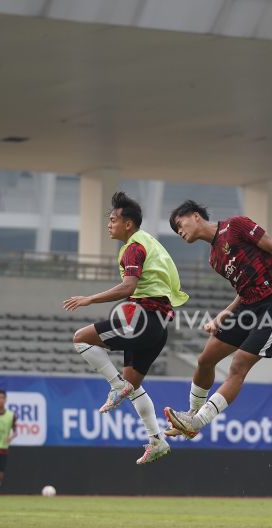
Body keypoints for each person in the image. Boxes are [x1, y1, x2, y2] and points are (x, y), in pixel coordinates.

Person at [163, 200, 272, 438]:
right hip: (247, 308)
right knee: (205, 360)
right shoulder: (214, 259)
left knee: (238, 365)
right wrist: (226, 312)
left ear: (195, 216)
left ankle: (199, 421)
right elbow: (244, 287)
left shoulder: (236, 226)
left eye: (179, 225)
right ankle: (190, 416)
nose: (179, 232)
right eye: (176, 230)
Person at [63, 191, 190, 465]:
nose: (109, 224)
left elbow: (128, 287)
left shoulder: (134, 246)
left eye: (113, 219)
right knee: (132, 388)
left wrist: (89, 298)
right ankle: (156, 440)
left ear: (128, 223)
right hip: (158, 327)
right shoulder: (148, 242)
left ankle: (114, 385)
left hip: (141, 320)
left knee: (80, 339)